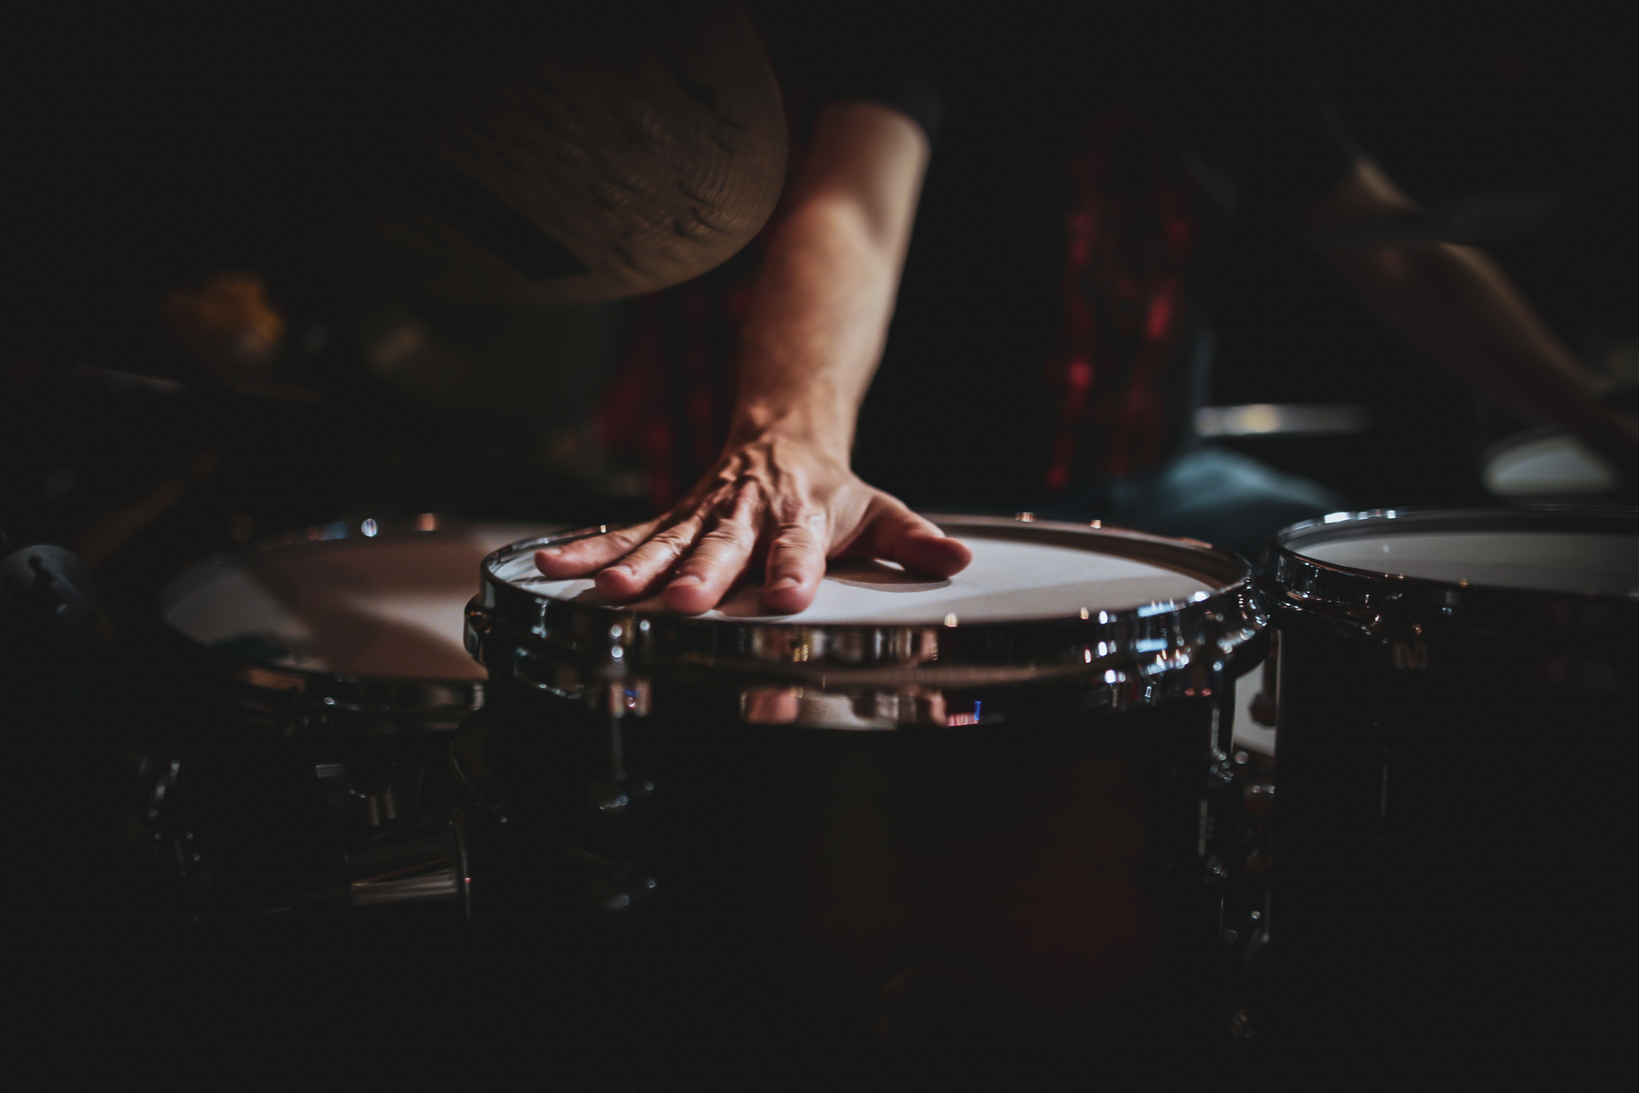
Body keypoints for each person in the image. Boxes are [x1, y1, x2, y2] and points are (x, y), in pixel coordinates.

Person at [537, 1, 1639, 614]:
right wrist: (791, 439)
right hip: (916, 500)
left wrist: (1603, 427)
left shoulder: (1234, 35)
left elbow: (1400, 255)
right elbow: (850, 210)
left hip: (1157, 477)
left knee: (1404, 593)